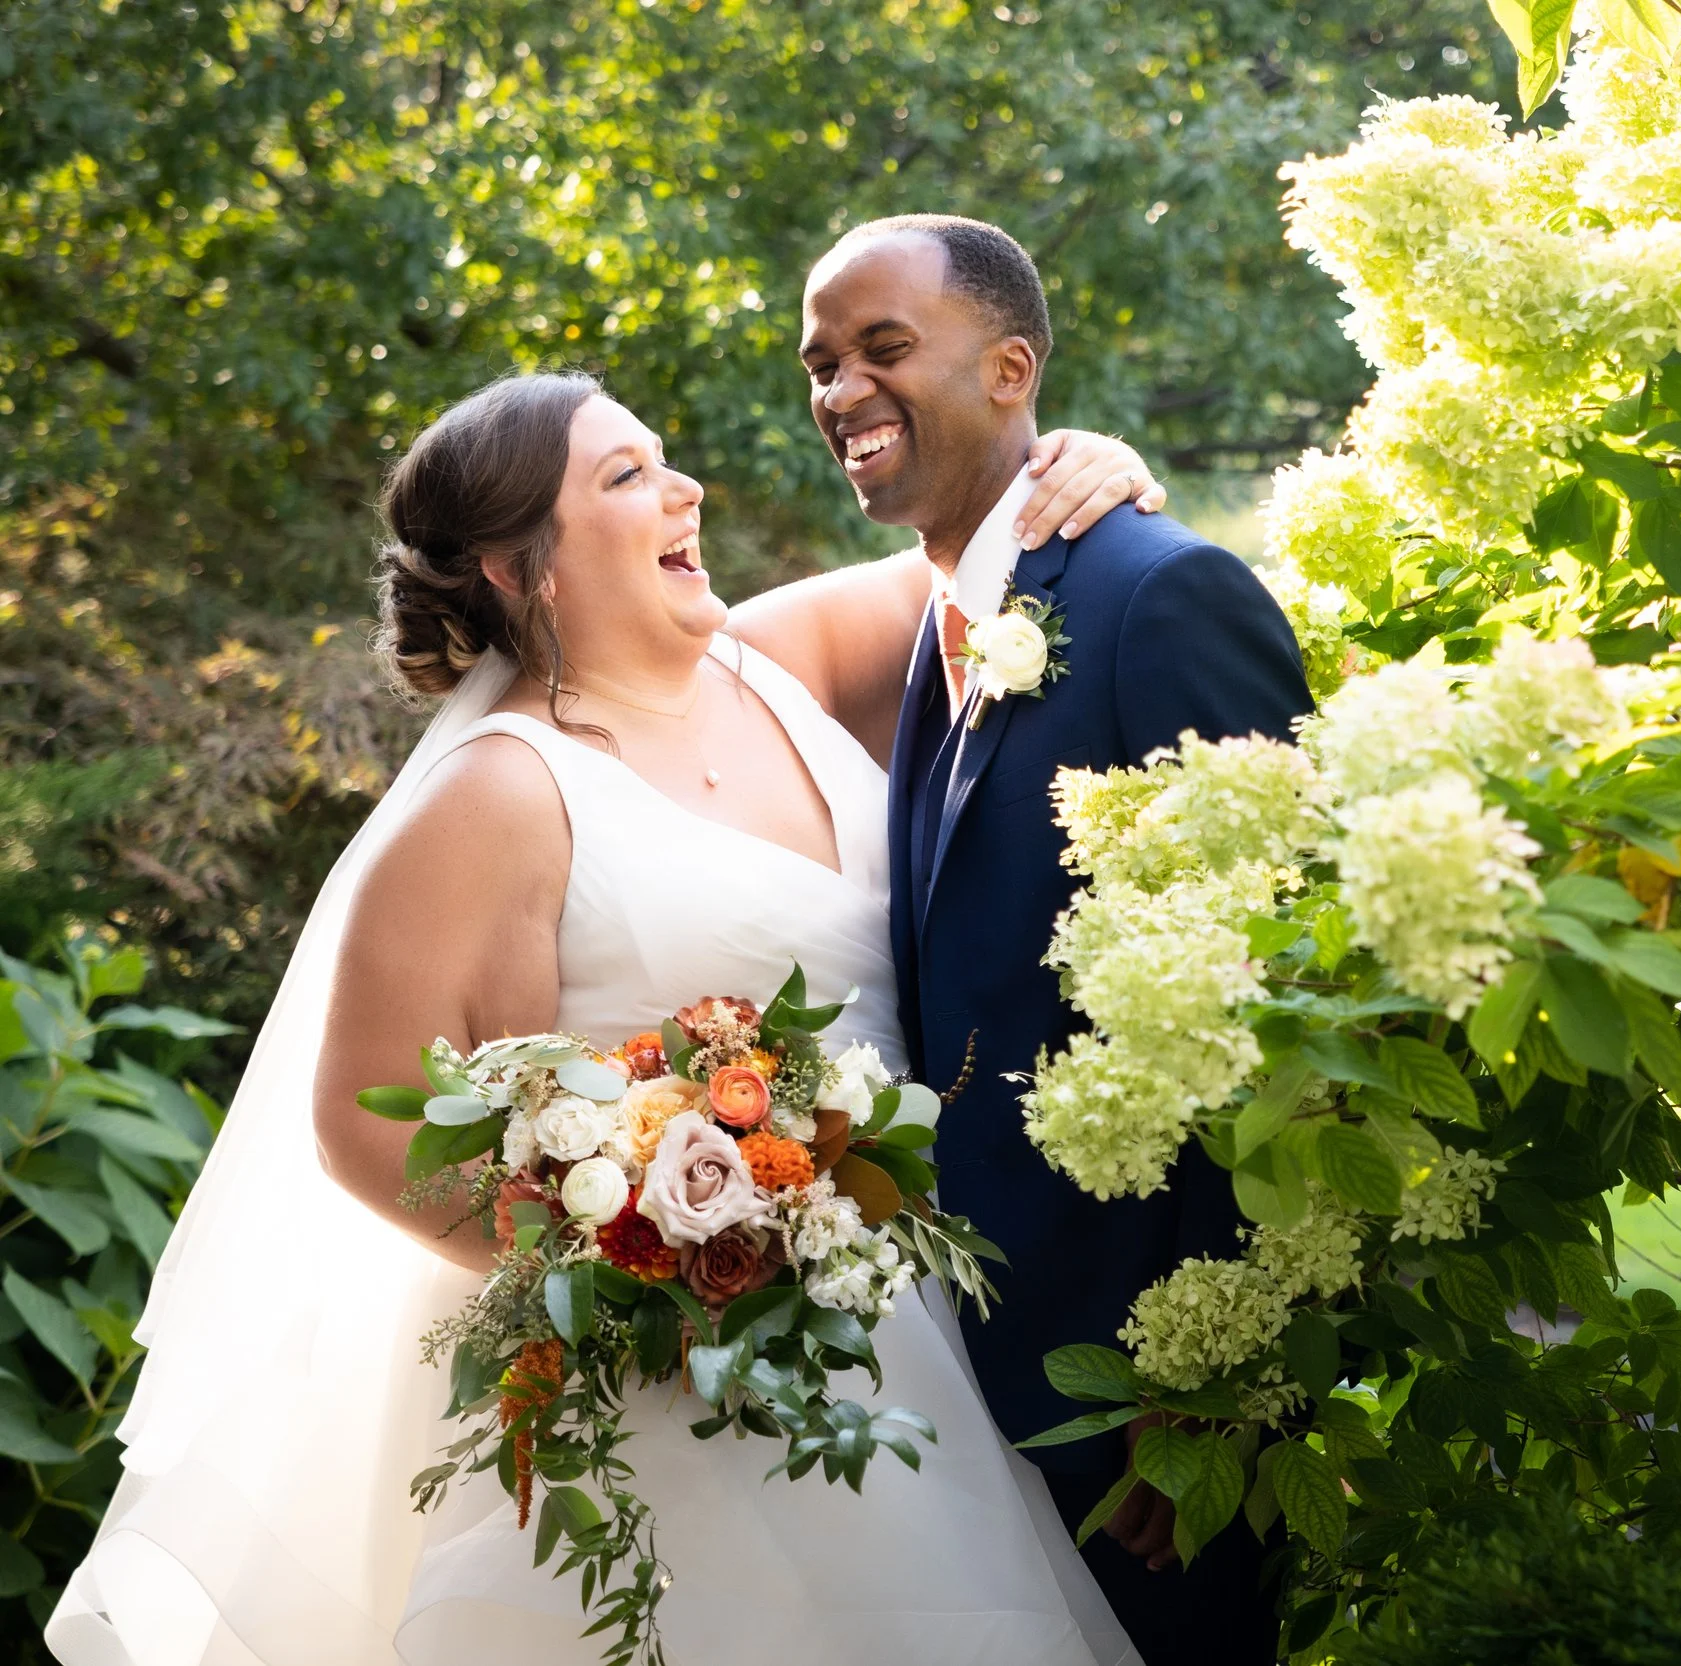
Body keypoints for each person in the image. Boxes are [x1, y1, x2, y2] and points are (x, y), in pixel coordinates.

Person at [44, 374, 1164, 1665]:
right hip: (678, 1405)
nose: (686, 489)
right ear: (524, 570)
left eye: (666, 461)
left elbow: (981, 570)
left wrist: (1083, 463)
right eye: (627, 476)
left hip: (921, 1342)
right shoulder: (501, 791)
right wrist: (643, 1270)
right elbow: (361, 1113)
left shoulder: (768, 663)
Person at [738, 215, 1310, 1666]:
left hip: (1140, 1416)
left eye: (882, 349)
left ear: (1010, 369)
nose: (840, 391)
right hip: (973, 1385)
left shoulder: (1158, 597)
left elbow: (1286, 1007)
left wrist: (1207, 1391)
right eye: (819, 363)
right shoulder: (939, 619)